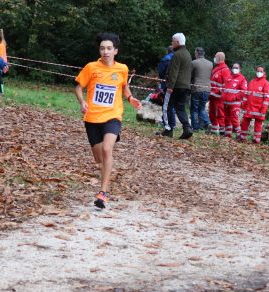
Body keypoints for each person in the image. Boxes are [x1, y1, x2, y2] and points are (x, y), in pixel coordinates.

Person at [74, 32, 142, 208]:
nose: (105, 51)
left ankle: (102, 193)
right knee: (99, 159)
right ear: (99, 50)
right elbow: (78, 87)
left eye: (109, 48)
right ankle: (106, 172)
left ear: (115, 51)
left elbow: (124, 87)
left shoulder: (122, 69)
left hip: (113, 116)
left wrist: (130, 98)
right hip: (92, 117)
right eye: (103, 48)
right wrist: (82, 102)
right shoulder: (91, 67)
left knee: (106, 149)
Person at [158, 33, 194, 139]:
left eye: (173, 41)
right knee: (180, 108)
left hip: (175, 86)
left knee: (167, 106)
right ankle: (187, 128)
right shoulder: (188, 54)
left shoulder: (177, 55)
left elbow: (174, 72)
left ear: (177, 42)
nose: (171, 43)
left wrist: (170, 86)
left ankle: (168, 129)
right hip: (185, 86)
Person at [238, 65, 269, 144]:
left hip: (259, 108)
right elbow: (247, 94)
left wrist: (263, 109)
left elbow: (267, 98)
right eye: (258, 71)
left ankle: (256, 139)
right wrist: (244, 104)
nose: (259, 72)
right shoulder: (252, 82)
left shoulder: (266, 84)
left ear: (264, 72)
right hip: (249, 107)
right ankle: (242, 137)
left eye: (261, 71)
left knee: (258, 124)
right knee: (244, 122)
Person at [221, 62, 247, 138]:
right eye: (233, 67)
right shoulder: (229, 77)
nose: (234, 69)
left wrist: (235, 97)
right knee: (226, 118)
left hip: (235, 103)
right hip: (226, 102)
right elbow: (224, 88)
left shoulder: (242, 78)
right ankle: (228, 133)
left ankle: (239, 134)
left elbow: (243, 91)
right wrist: (223, 96)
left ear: (240, 69)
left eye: (236, 68)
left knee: (234, 119)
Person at [190, 47, 213, 131]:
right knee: (202, 108)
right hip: (207, 89)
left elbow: (190, 76)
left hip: (196, 88)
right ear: (203, 54)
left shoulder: (194, 63)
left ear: (196, 53)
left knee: (194, 109)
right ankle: (208, 123)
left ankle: (195, 127)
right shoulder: (210, 63)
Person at [209, 52, 231, 135]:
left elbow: (226, 85)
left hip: (219, 97)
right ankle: (214, 130)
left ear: (219, 58)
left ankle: (222, 131)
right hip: (212, 96)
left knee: (220, 114)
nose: (214, 58)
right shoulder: (216, 69)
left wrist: (219, 92)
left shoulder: (225, 70)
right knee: (212, 114)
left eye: (215, 57)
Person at [157, 46, 176, 131]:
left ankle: (167, 123)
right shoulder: (178, 59)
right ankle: (173, 122)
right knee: (172, 104)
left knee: (166, 104)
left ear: (167, 51)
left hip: (166, 84)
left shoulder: (165, 59)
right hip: (177, 84)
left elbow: (161, 72)